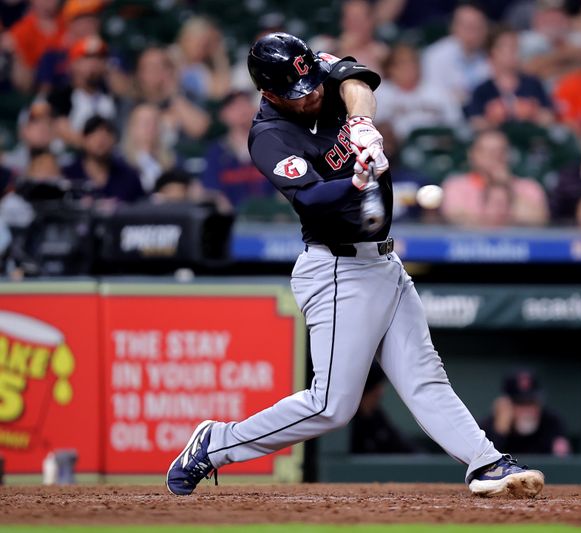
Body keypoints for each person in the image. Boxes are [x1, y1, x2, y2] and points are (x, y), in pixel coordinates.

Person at [166, 32, 544, 499]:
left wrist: (362, 125)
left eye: (312, 85)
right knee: (330, 406)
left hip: (384, 261)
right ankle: (215, 443)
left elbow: (357, 80)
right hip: (338, 269)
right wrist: (356, 179)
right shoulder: (268, 136)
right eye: (298, 94)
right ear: (269, 93)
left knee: (425, 376)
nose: (313, 96)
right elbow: (310, 197)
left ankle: (485, 462)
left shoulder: (312, 70)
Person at [441, 129, 549, 227]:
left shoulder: (528, 186)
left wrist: (506, 186)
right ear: (472, 154)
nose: (495, 156)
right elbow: (456, 219)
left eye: (501, 151)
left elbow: (537, 220)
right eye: (487, 151)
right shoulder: (455, 185)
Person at [465, 27, 554, 130]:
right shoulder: (482, 89)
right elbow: (475, 122)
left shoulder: (533, 84)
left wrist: (532, 113)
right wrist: (495, 118)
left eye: (516, 46)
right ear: (493, 52)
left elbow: (549, 116)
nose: (514, 51)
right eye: (507, 46)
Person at [374, 43, 464, 142]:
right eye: (402, 63)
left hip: (436, 145)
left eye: (412, 62)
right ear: (390, 69)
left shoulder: (438, 91)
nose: (408, 67)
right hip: (396, 149)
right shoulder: (379, 94)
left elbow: (455, 124)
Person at [201, 91, 270, 208]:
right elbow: (211, 190)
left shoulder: (269, 146)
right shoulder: (217, 152)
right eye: (235, 106)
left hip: (269, 218)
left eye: (246, 104)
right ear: (223, 114)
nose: (243, 110)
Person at [46, 35, 116, 147]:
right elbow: (60, 128)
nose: (93, 63)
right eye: (87, 58)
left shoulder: (111, 98)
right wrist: (94, 146)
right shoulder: (59, 96)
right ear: (73, 63)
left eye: (99, 58)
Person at [128, 47, 210, 141]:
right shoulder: (130, 102)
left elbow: (199, 129)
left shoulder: (187, 95)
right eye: (149, 66)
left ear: (170, 70)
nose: (155, 71)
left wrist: (173, 95)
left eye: (162, 65)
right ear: (140, 73)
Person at [482, 369, 571, 456]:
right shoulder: (489, 426)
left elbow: (563, 462)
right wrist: (500, 432)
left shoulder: (552, 423)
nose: (527, 410)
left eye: (531, 403)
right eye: (520, 404)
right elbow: (488, 464)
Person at [61, 115, 145, 203]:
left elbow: (142, 207)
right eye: (94, 133)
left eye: (107, 133)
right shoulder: (68, 175)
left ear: (114, 140)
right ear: (83, 139)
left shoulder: (129, 177)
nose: (100, 139)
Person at [421, 3, 491, 105]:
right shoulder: (435, 55)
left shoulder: (489, 56)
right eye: (467, 27)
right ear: (453, 27)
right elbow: (432, 97)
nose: (472, 33)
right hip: (446, 116)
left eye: (477, 28)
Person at [350, 364, 417, 454]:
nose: (380, 392)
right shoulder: (348, 419)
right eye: (375, 389)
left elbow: (401, 445)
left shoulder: (377, 417)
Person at [3, 0, 63, 92]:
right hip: (35, 89)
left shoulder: (68, 24)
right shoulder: (20, 31)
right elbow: (23, 84)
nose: (46, 2)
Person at [168, 16, 231, 103]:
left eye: (205, 46)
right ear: (186, 39)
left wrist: (219, 55)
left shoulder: (200, 68)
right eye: (199, 44)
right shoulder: (169, 56)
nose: (202, 50)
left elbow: (221, 92)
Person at [121, 103, 176, 192]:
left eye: (155, 122)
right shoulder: (121, 164)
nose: (151, 127)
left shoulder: (172, 162)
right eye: (145, 122)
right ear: (132, 127)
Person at [337, 0, 390, 77]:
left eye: (358, 19)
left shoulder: (382, 52)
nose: (353, 24)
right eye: (349, 19)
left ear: (370, 21)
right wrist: (341, 50)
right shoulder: (326, 45)